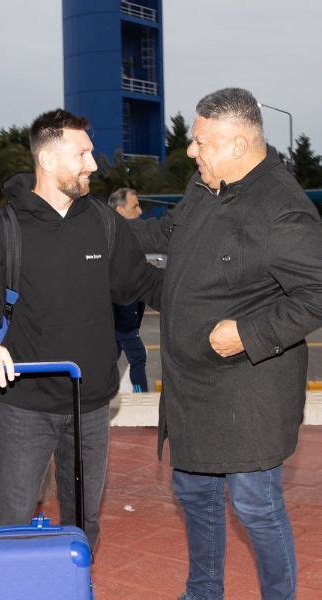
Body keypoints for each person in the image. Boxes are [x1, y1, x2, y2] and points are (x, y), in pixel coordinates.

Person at [128, 88, 322, 599]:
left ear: (238, 144)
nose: (191, 151)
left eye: (200, 141)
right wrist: (95, 230)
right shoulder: (204, 186)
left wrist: (249, 333)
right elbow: (165, 234)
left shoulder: (284, 210)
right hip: (193, 388)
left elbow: (316, 293)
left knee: (256, 504)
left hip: (248, 394)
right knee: (193, 491)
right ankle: (203, 592)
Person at [0, 108, 163, 552]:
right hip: (23, 406)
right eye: (83, 153)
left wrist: (211, 302)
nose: (93, 164)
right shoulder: (4, 231)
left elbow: (142, 283)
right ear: (47, 160)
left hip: (92, 404)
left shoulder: (104, 223)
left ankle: (73, 585)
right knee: (13, 519)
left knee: (84, 521)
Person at [108, 188, 148, 392]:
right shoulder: (113, 241)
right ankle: (140, 397)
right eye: (135, 207)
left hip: (124, 316)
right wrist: (128, 324)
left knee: (108, 358)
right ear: (120, 210)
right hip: (122, 318)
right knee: (138, 357)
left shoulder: (123, 237)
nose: (140, 211)